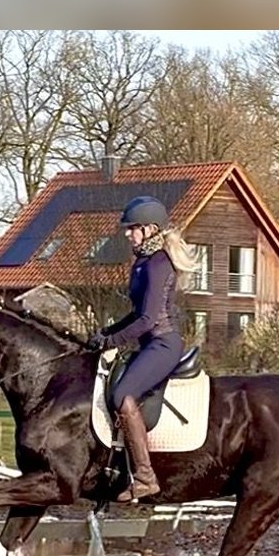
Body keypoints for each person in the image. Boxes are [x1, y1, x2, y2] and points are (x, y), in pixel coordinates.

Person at [88, 195, 201, 501]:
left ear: (150, 229)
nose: (127, 234)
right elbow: (136, 313)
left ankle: (145, 477)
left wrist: (114, 341)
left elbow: (149, 319)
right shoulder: (143, 262)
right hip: (149, 342)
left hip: (163, 343)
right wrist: (107, 332)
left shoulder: (159, 263)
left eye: (132, 228)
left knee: (122, 396)